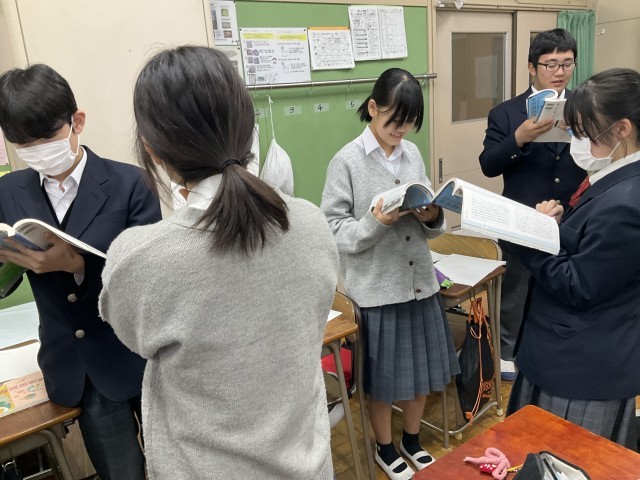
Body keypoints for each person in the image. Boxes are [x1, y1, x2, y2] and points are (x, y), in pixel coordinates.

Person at [98, 46, 339, 480]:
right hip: (308, 464)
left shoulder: (139, 259)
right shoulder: (311, 223)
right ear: (248, 129)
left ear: (152, 149)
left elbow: (135, 338)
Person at [0, 64, 161, 479]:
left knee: (174, 464)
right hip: (79, 369)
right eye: (24, 143)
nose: (38, 150)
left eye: (47, 137)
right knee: (120, 473)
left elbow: (148, 277)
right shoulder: (8, 191)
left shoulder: (131, 183)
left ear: (78, 122)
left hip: (139, 353)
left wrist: (76, 265)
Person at [321, 68, 460, 480]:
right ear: (372, 108)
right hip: (377, 293)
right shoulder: (346, 161)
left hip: (420, 286)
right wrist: (375, 223)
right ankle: (385, 448)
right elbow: (333, 230)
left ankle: (412, 441)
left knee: (422, 375)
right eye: (394, 120)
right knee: (383, 383)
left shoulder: (412, 154)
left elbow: (429, 219)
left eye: (409, 122)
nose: (401, 130)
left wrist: (431, 215)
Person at [507, 67, 640, 450]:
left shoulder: (627, 201)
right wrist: (559, 227)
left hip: (581, 367)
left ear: (622, 129)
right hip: (564, 351)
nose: (578, 144)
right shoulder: (617, 178)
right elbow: (597, 250)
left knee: (563, 460)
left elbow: (578, 285)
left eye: (587, 134)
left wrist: (530, 238)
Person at [478, 28, 586, 381]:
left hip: (571, 217)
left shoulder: (584, 108)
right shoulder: (507, 113)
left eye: (567, 64)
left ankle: (556, 347)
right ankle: (508, 351)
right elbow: (489, 164)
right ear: (531, 67)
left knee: (565, 287)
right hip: (521, 219)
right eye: (550, 64)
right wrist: (519, 138)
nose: (559, 72)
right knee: (515, 292)